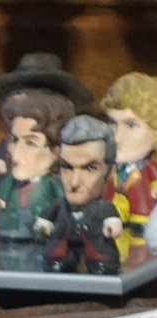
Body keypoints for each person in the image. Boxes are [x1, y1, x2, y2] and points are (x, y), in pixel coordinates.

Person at [0, 87, 72, 241]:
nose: (15, 154)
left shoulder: (53, 185)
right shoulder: (10, 183)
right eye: (14, 140)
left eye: (30, 143)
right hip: (12, 234)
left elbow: (64, 207)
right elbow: (0, 200)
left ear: (56, 151)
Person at [48, 115, 129, 274]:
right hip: (63, 251)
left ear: (109, 172)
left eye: (89, 168)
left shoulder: (102, 207)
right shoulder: (60, 205)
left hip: (97, 251)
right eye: (67, 167)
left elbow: (111, 218)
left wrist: (112, 226)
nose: (74, 183)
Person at [102, 71, 157, 237]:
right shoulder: (112, 169)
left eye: (131, 125)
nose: (117, 137)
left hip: (143, 223)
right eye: (112, 122)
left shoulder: (149, 168)